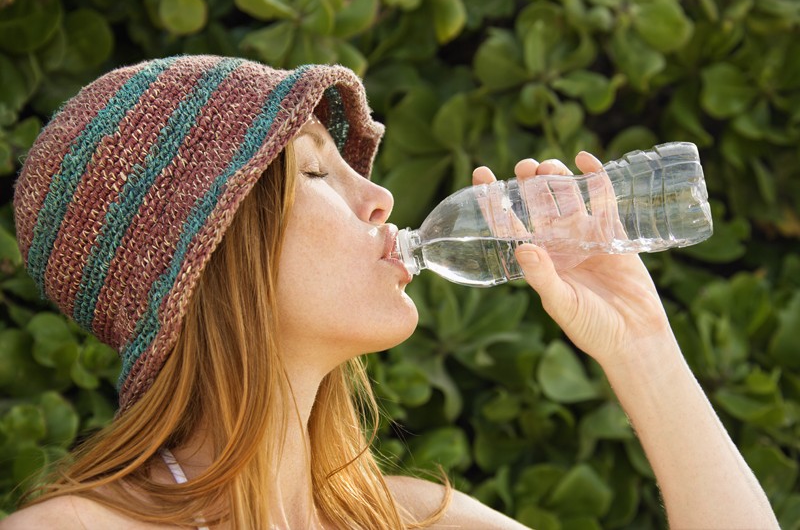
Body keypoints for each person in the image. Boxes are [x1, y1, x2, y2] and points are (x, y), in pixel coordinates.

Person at [2, 55, 778, 529]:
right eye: (313, 171)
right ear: (200, 254)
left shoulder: (410, 520)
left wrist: (641, 346)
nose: (381, 200)